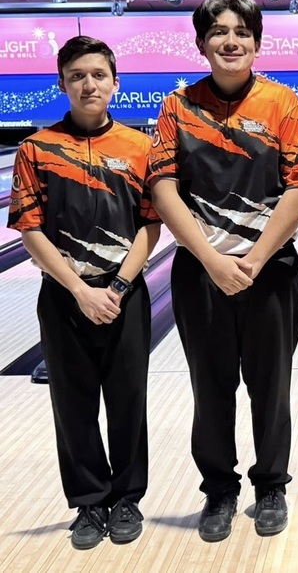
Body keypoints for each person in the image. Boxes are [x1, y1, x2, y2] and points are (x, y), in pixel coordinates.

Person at [147, 0, 298, 542]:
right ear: (201, 44)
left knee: (272, 387)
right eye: (219, 32)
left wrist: (256, 257)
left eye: (242, 31)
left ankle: (271, 487)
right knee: (210, 387)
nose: (231, 40)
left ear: (257, 42)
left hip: (273, 271)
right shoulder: (177, 108)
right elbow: (164, 190)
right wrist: (213, 259)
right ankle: (219, 490)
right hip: (200, 273)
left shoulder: (284, 104)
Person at [8, 36, 159, 550]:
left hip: (125, 296)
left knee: (127, 402)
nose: (88, 83)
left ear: (115, 82)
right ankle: (90, 504)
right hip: (65, 299)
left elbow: (151, 226)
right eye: (77, 75)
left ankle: (127, 499)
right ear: (62, 83)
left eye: (98, 74)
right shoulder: (35, 148)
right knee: (72, 405)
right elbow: (30, 230)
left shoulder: (141, 148)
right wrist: (78, 290)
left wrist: (117, 286)